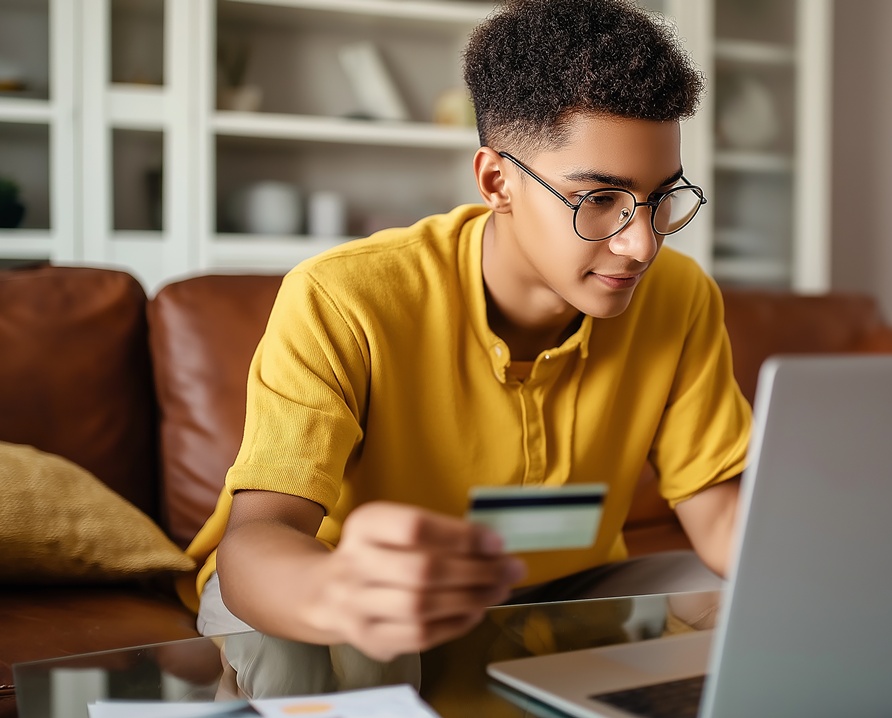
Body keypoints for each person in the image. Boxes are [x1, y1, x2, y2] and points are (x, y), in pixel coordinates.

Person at [183, 0, 752, 664]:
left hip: (568, 589)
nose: (641, 244)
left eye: (660, 199)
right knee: (317, 643)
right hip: (343, 592)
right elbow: (257, 539)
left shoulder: (680, 299)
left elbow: (720, 519)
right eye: (600, 200)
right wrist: (336, 590)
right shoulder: (344, 297)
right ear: (496, 181)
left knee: (731, 593)